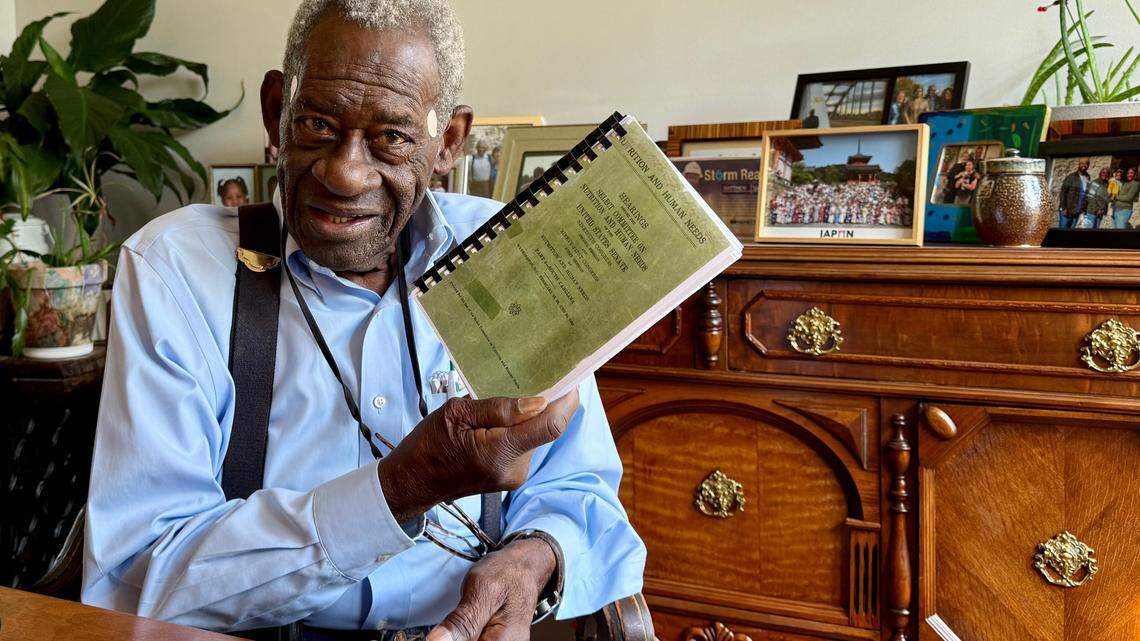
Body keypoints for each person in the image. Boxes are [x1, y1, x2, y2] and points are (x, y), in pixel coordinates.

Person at [82, 1, 646, 640]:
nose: (344, 172)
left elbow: (580, 489)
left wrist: (534, 554)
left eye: (393, 137)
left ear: (449, 142)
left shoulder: (511, 254)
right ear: (276, 110)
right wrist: (401, 486)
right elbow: (137, 581)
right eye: (318, 123)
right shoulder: (176, 269)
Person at [1057, 158, 1091, 229]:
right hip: (1067, 210)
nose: (1084, 165)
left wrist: (1084, 209)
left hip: (1077, 211)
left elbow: (1085, 194)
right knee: (1062, 232)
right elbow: (1063, 192)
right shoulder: (1071, 177)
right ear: (1079, 164)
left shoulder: (1088, 178)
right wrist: (1063, 208)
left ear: (1088, 165)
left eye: (1086, 163)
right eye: (1082, 163)